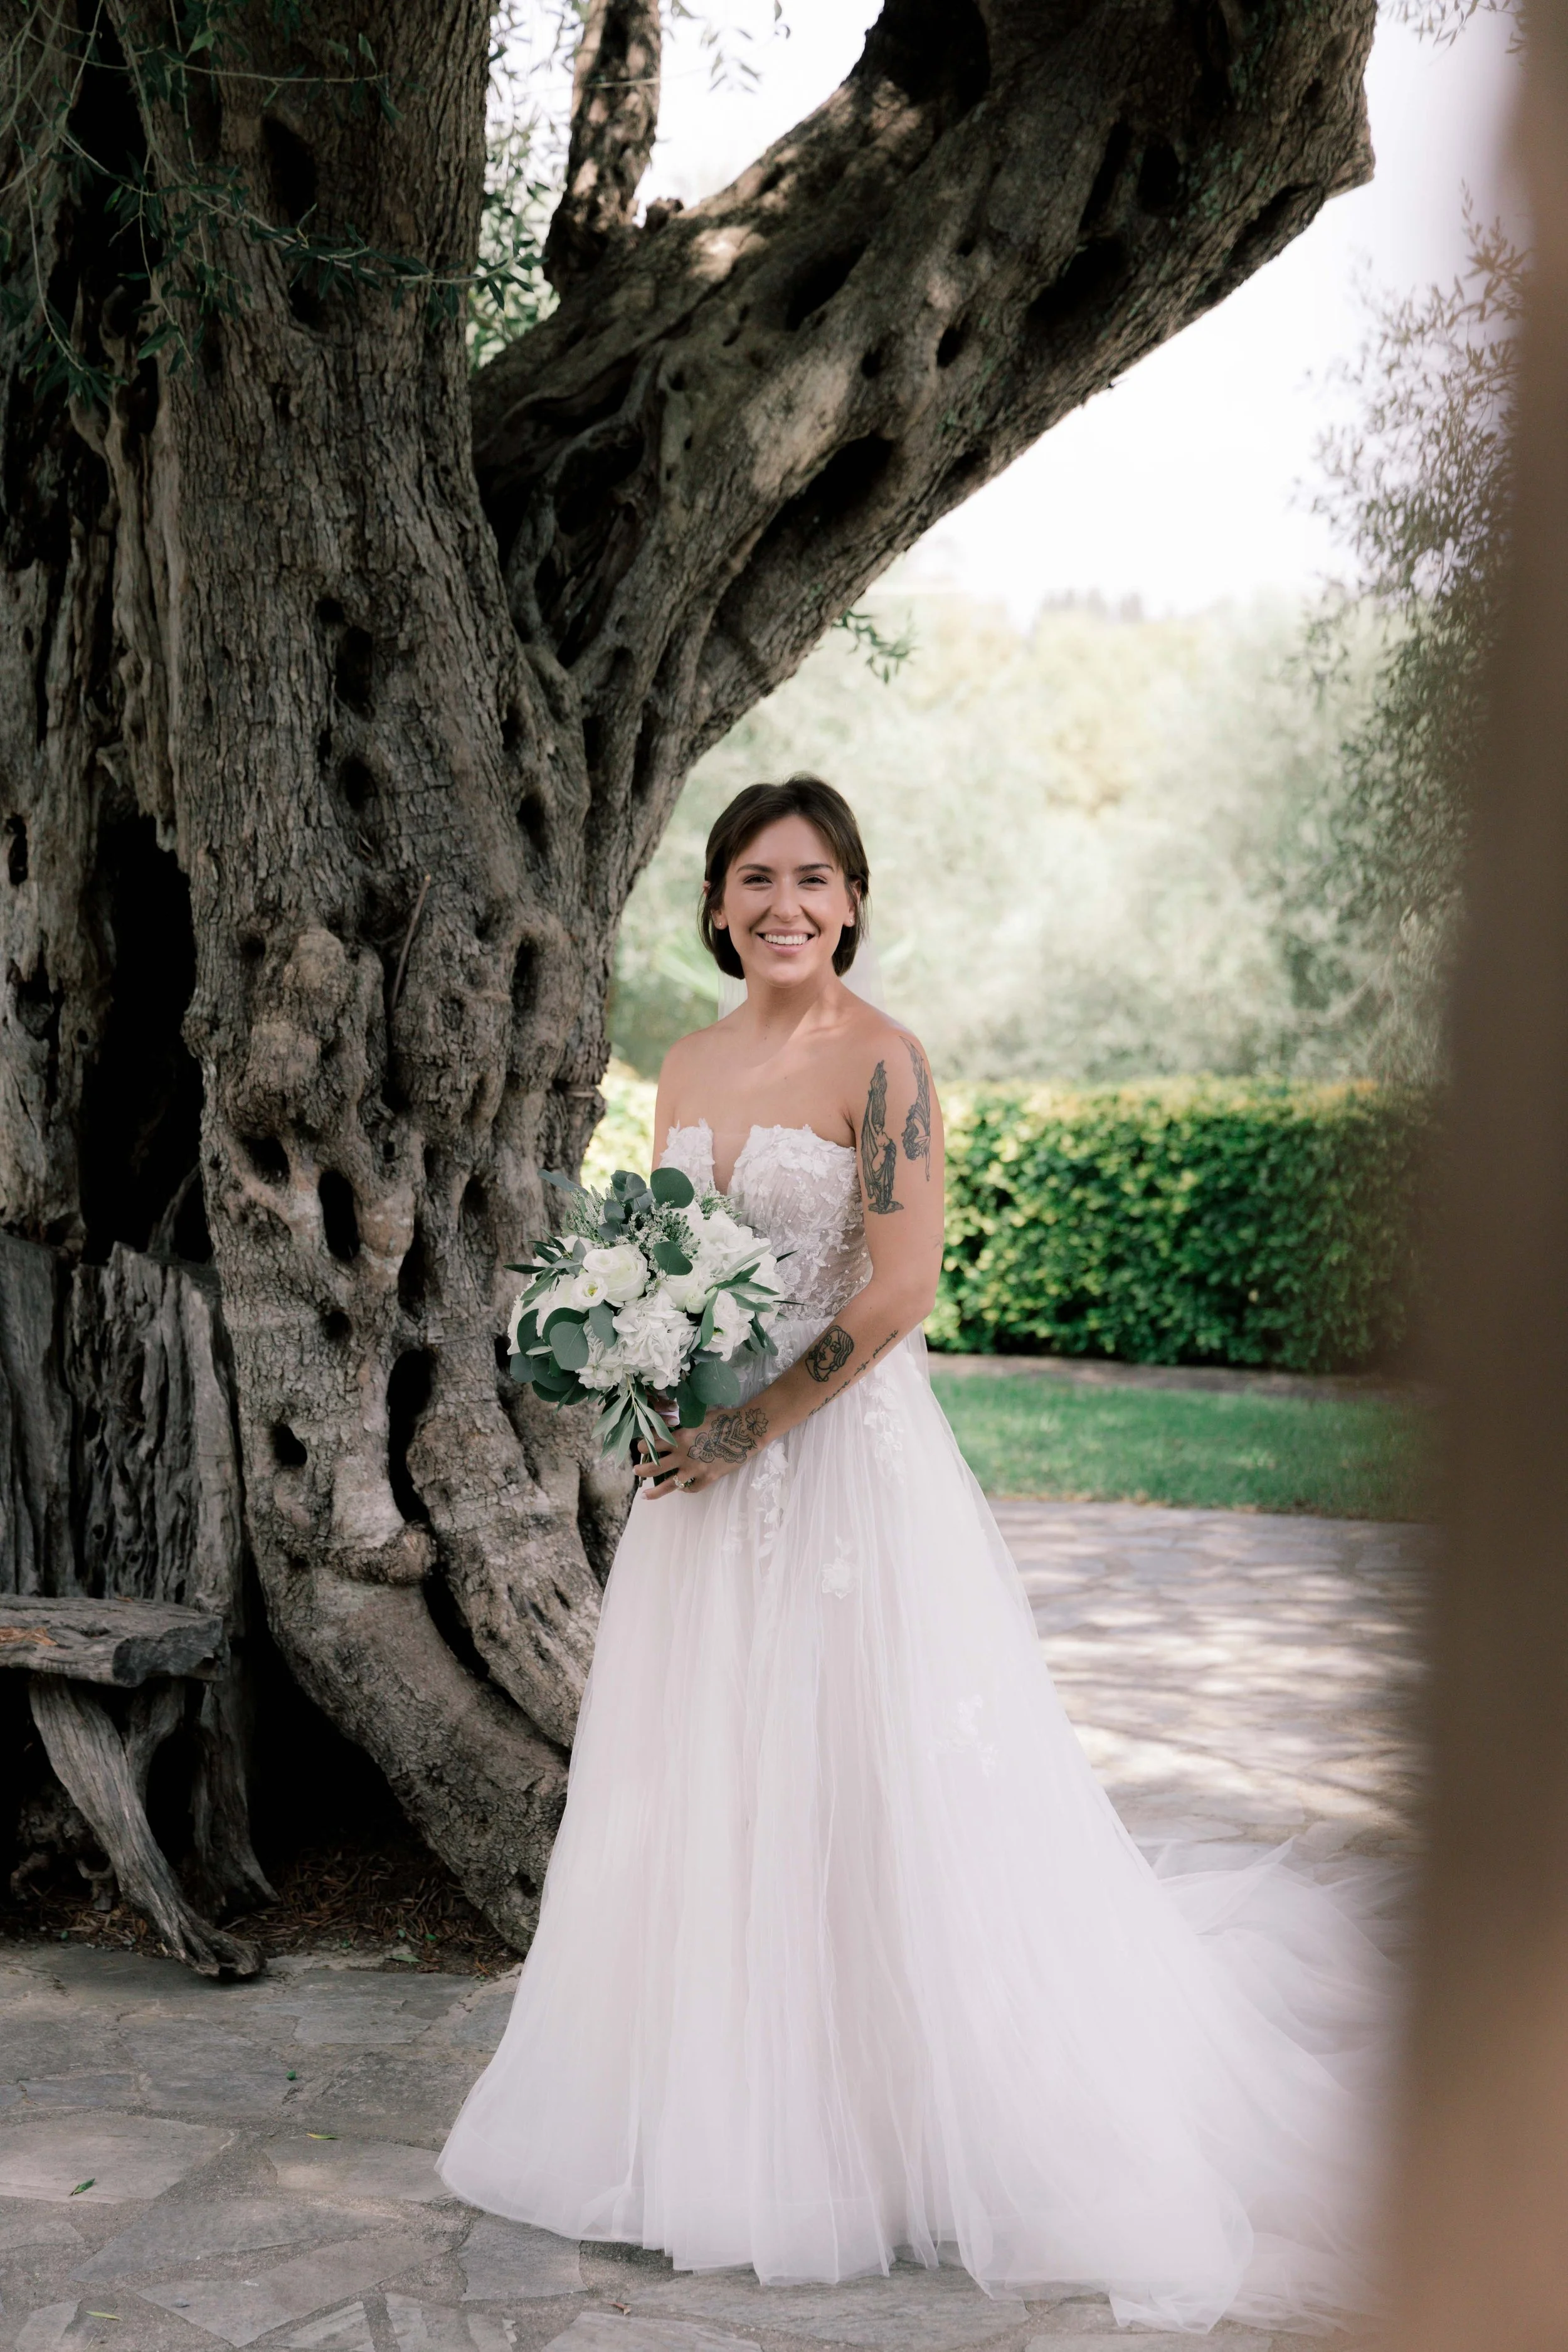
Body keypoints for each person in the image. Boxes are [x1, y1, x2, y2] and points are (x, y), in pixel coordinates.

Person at [437, 776, 1389, 2331]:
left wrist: (758, 1425)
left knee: (861, 1778)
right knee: (715, 1788)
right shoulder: (684, 1060)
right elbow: (678, 1259)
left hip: (842, 1483)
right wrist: (646, 1362)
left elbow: (892, 1293)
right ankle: (719, 2117)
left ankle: (888, 2125)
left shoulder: (885, 1063)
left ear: (853, 901)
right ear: (717, 904)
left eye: (811, 879)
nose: (783, 905)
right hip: (706, 1500)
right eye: (754, 878)